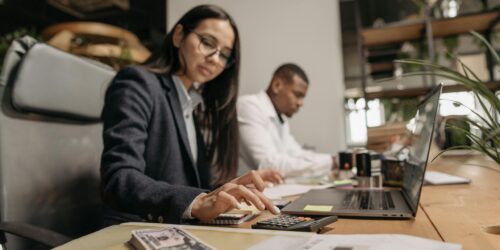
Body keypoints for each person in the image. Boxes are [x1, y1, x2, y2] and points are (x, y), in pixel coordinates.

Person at [100, 4, 282, 226]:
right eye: (207, 43)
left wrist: (233, 188)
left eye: (224, 54)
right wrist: (197, 202)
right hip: (133, 230)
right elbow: (119, 178)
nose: (215, 59)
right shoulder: (137, 83)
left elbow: (185, 182)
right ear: (178, 36)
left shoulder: (190, 102)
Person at [238, 63, 336, 178]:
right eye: (297, 95)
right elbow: (268, 164)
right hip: (240, 192)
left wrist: (334, 159)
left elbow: (297, 154)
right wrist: (331, 161)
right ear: (277, 85)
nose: (301, 103)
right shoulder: (249, 106)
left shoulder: (280, 119)